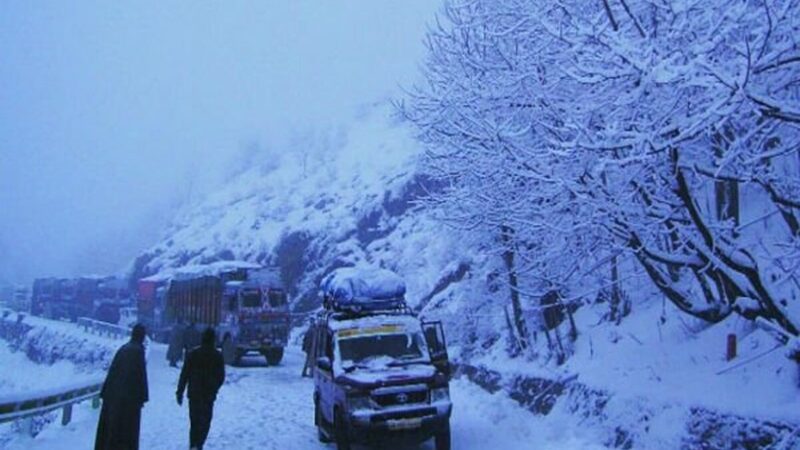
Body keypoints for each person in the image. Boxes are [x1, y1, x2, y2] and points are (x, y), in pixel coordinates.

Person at [95, 324, 149, 450]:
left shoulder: (124, 348)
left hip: (113, 397)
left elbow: (113, 372)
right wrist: (142, 397)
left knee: (110, 430)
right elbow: (140, 376)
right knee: (125, 432)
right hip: (128, 401)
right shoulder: (138, 352)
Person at [176, 327, 225, 450]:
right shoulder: (217, 356)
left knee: (194, 421)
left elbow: (184, 374)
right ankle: (199, 443)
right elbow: (221, 376)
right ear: (213, 340)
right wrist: (215, 388)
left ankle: (194, 444)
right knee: (206, 420)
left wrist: (180, 392)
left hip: (194, 393)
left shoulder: (193, 354)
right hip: (208, 394)